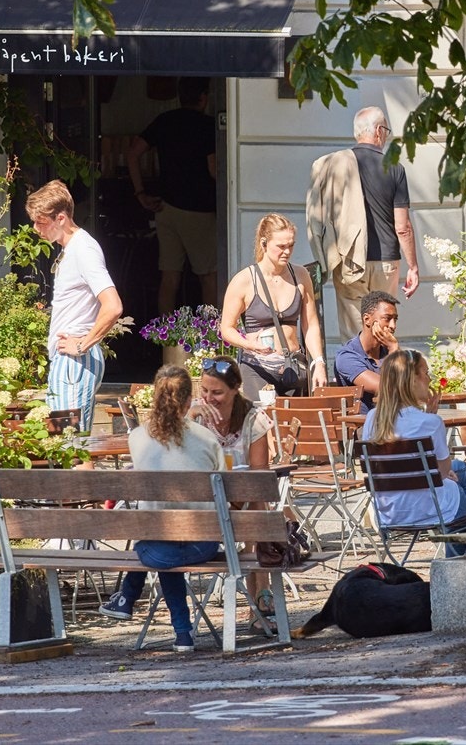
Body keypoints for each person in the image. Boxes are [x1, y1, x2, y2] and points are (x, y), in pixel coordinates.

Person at [96, 364, 222, 652]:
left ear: (155, 398)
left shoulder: (136, 438)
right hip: (204, 544)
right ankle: (182, 633)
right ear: (190, 400)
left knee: (161, 545)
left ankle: (135, 601)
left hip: (157, 547)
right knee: (168, 543)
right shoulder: (207, 438)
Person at [360, 348, 466, 556]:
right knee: (461, 477)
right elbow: (441, 473)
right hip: (432, 509)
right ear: (412, 380)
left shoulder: (371, 418)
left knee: (461, 470)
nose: (430, 379)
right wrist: (430, 419)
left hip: (389, 512)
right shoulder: (431, 423)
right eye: (425, 372)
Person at [306, 106, 420, 339]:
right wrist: (413, 266)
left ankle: (356, 374)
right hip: (385, 263)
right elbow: (403, 227)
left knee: (354, 333)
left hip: (349, 260)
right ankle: (382, 374)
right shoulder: (395, 168)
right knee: (383, 327)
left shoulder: (337, 165)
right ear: (378, 131)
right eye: (386, 130)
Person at [183, 355, 278, 632]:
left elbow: (259, 475)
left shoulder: (252, 419)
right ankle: (261, 597)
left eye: (217, 392)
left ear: (235, 389)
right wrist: (189, 423)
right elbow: (180, 462)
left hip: (242, 502)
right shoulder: (195, 418)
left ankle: (259, 597)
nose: (209, 398)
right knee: (256, 512)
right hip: (206, 507)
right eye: (205, 391)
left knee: (254, 505)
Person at [26, 180, 123, 433]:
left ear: (61, 218)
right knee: (64, 444)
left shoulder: (84, 249)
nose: (36, 228)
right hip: (68, 361)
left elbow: (113, 306)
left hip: (74, 363)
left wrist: (81, 345)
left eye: (41, 221)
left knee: (71, 446)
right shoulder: (72, 249)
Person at [127, 77, 219, 311]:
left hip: (165, 208)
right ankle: (211, 341)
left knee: (169, 278)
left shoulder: (164, 120)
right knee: (208, 277)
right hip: (198, 210)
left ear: (180, 96)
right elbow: (213, 169)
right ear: (204, 98)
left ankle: (166, 342)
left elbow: (132, 154)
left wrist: (141, 193)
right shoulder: (207, 126)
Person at [219, 214, 327, 401]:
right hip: (258, 367)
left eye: (291, 245)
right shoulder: (244, 280)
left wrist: (319, 362)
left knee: (295, 427)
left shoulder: (301, 275)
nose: (287, 251)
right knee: (266, 424)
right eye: (281, 246)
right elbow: (226, 328)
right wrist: (248, 344)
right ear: (264, 244)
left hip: (293, 367)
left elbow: (310, 325)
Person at [333, 290, 400, 410]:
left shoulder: (387, 351)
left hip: (394, 422)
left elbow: (413, 383)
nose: (393, 326)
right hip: (363, 426)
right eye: (387, 318)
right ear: (367, 319)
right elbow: (386, 388)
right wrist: (394, 349)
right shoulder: (347, 357)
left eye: (395, 319)